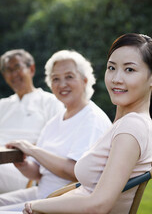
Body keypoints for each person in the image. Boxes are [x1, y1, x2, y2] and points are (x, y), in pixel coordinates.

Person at [19, 33, 152, 214]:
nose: (116, 79)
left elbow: (99, 205)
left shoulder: (131, 127)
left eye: (129, 70)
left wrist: (36, 205)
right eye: (111, 68)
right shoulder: (128, 123)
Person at [0, 50, 112, 210]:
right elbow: (38, 174)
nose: (62, 84)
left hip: (64, 203)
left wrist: (32, 149)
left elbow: (75, 172)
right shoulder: (56, 121)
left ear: (84, 80)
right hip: (43, 193)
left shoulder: (91, 119)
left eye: (69, 76)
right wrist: (23, 164)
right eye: (56, 79)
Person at [0, 49, 64, 194]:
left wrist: (27, 149)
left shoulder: (50, 102)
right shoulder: (1, 105)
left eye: (17, 68)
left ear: (31, 69)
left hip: (28, 170)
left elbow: (58, 143)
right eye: (7, 70)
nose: (13, 74)